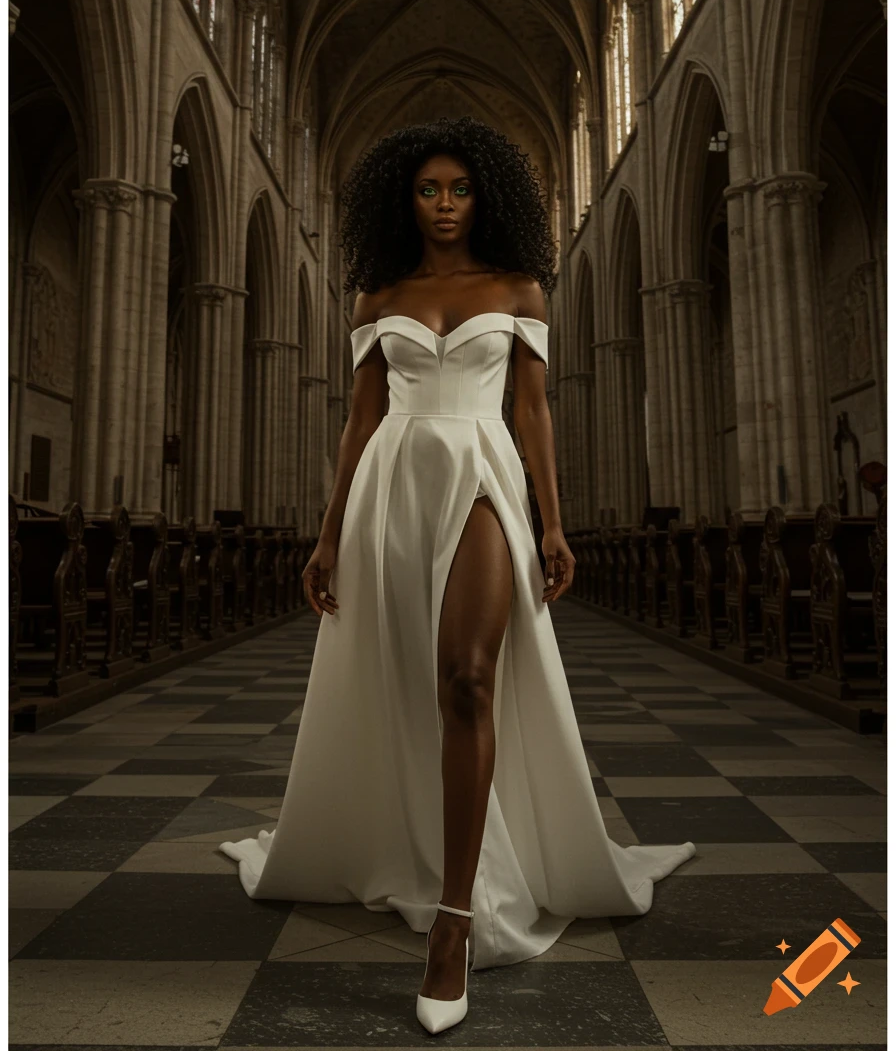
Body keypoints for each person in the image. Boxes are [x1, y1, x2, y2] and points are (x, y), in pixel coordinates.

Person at [220, 116, 696, 1035]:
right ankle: (413, 854)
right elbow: (358, 425)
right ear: (406, 197)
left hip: (481, 473)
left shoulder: (520, 288)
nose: (444, 205)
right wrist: (325, 538)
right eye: (429, 190)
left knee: (470, 678)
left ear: (486, 197)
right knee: (406, 684)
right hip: (390, 487)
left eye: (460, 189)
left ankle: (454, 921)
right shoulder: (376, 295)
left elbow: (532, 411)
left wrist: (554, 522)